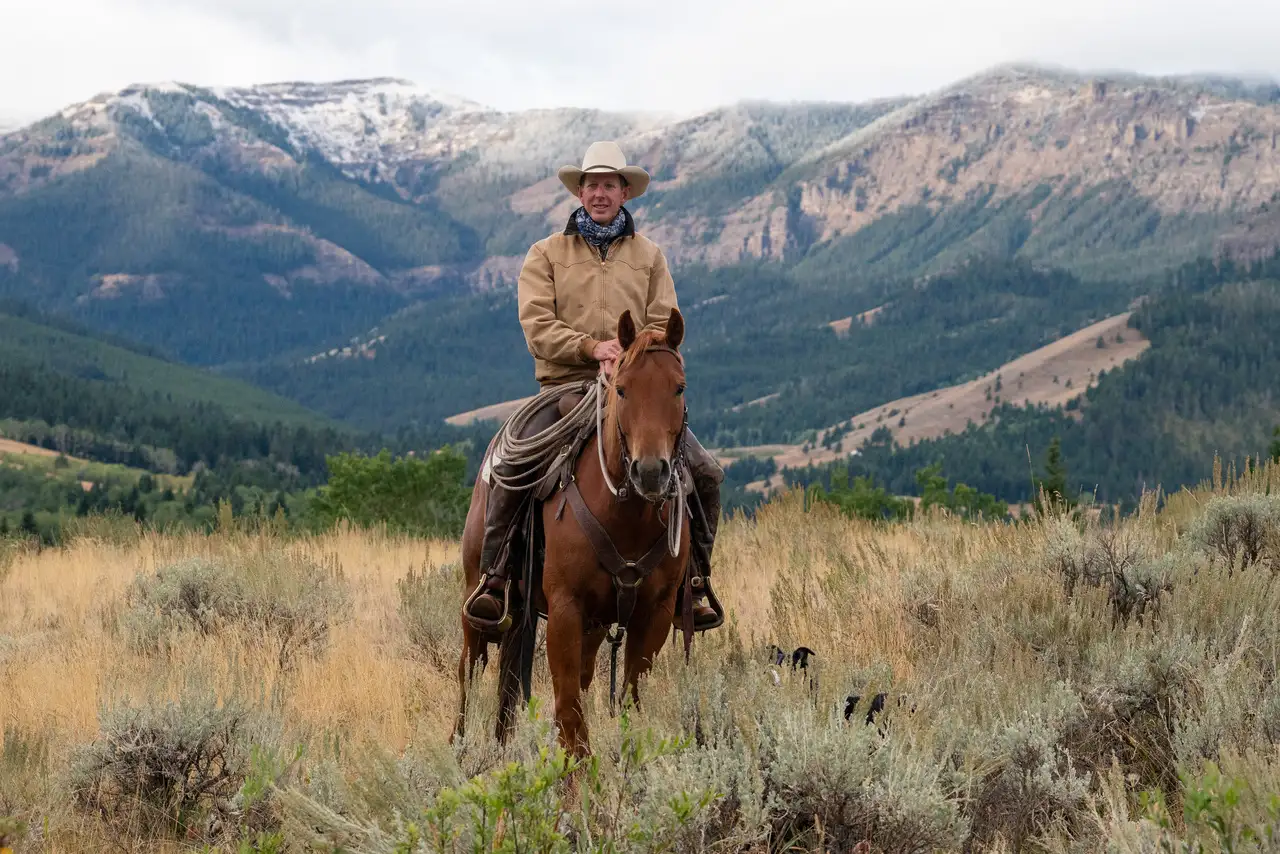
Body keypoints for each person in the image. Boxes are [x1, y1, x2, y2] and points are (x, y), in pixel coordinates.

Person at [464, 140, 724, 633]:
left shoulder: (649, 257)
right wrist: (590, 348)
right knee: (512, 461)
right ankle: (495, 578)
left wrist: (630, 358)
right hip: (566, 386)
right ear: (579, 190)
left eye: (609, 184)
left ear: (625, 191)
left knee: (705, 473)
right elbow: (536, 323)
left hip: (633, 390)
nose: (599, 193)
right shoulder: (547, 254)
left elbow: (663, 322)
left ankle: (693, 579)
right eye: (591, 184)